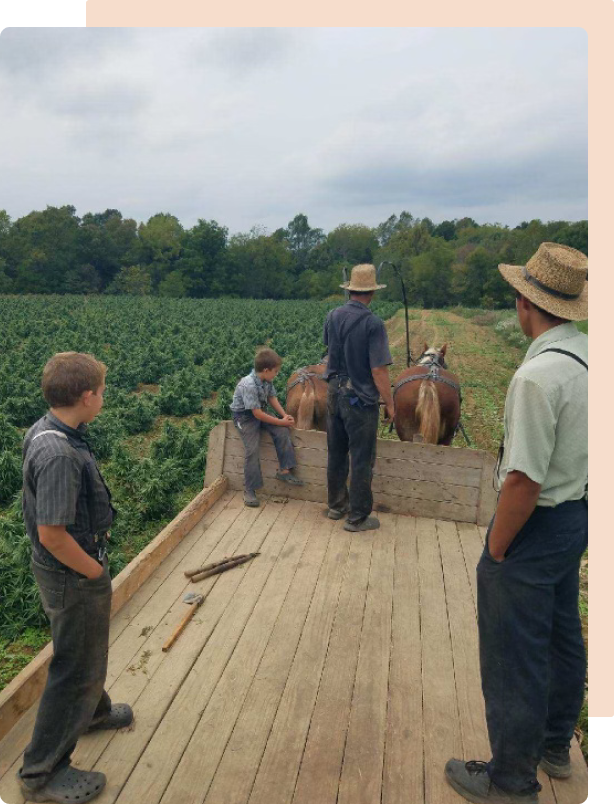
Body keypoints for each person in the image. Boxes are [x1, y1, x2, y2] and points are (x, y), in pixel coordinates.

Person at [445, 243, 588, 804]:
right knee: (559, 633)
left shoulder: (536, 378)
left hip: (536, 524)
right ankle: (556, 747)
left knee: (513, 653)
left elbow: (524, 482)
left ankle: (510, 781)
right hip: (578, 514)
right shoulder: (589, 358)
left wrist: (497, 551)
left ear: (523, 304)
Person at [18, 352, 133, 804]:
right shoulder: (59, 454)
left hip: (67, 571)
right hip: (72, 573)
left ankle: (93, 714)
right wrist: (95, 573)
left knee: (84, 651)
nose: (103, 398)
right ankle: (41, 774)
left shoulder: (54, 429)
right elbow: (52, 535)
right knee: (73, 667)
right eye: (101, 392)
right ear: (86, 397)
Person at [323, 263, 394, 531]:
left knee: (336, 453)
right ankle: (357, 517)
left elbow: (329, 351)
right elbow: (378, 370)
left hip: (333, 394)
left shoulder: (332, 316)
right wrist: (390, 403)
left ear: (351, 290)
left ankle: (335, 506)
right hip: (359, 400)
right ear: (371, 293)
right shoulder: (373, 323)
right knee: (362, 459)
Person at [230, 347, 304, 507]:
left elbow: (271, 398)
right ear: (266, 370)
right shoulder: (248, 384)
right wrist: (281, 421)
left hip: (260, 411)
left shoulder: (266, 380)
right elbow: (257, 415)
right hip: (244, 417)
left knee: (282, 431)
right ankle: (249, 490)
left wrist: (284, 416)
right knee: (252, 449)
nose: (276, 374)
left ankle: (285, 470)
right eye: (275, 371)